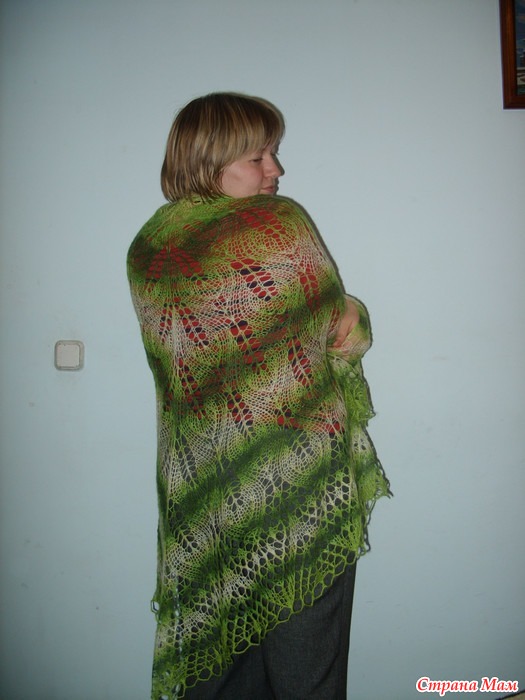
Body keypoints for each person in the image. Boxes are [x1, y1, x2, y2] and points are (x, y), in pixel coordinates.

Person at [127, 93, 389, 700]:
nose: (276, 169)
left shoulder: (149, 248)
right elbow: (342, 337)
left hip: (207, 496)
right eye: (259, 156)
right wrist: (353, 309)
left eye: (273, 153)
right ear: (209, 160)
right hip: (299, 489)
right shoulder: (279, 225)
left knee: (221, 671)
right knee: (307, 673)